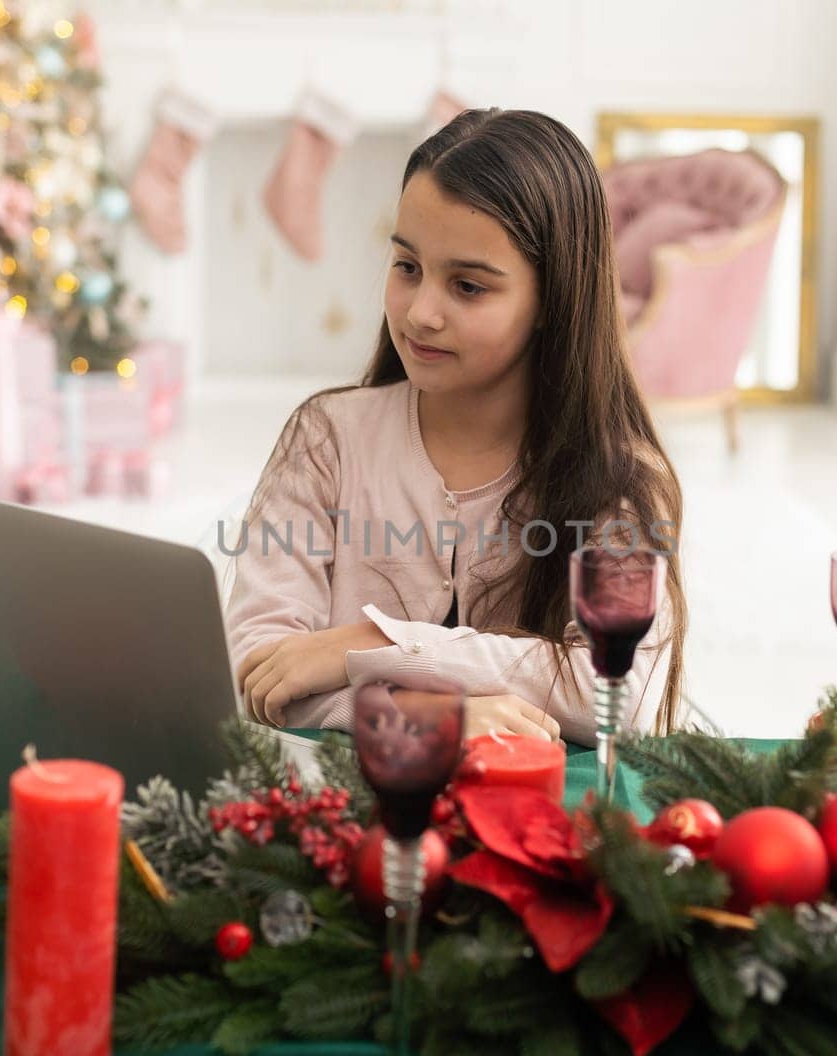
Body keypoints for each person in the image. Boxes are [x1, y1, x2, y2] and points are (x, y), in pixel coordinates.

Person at [224, 108, 687, 747]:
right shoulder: (326, 439)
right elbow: (261, 670)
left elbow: (619, 693)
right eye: (407, 266)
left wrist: (378, 645)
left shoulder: (617, 478)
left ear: (555, 301)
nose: (420, 313)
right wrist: (433, 719)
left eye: (468, 286)